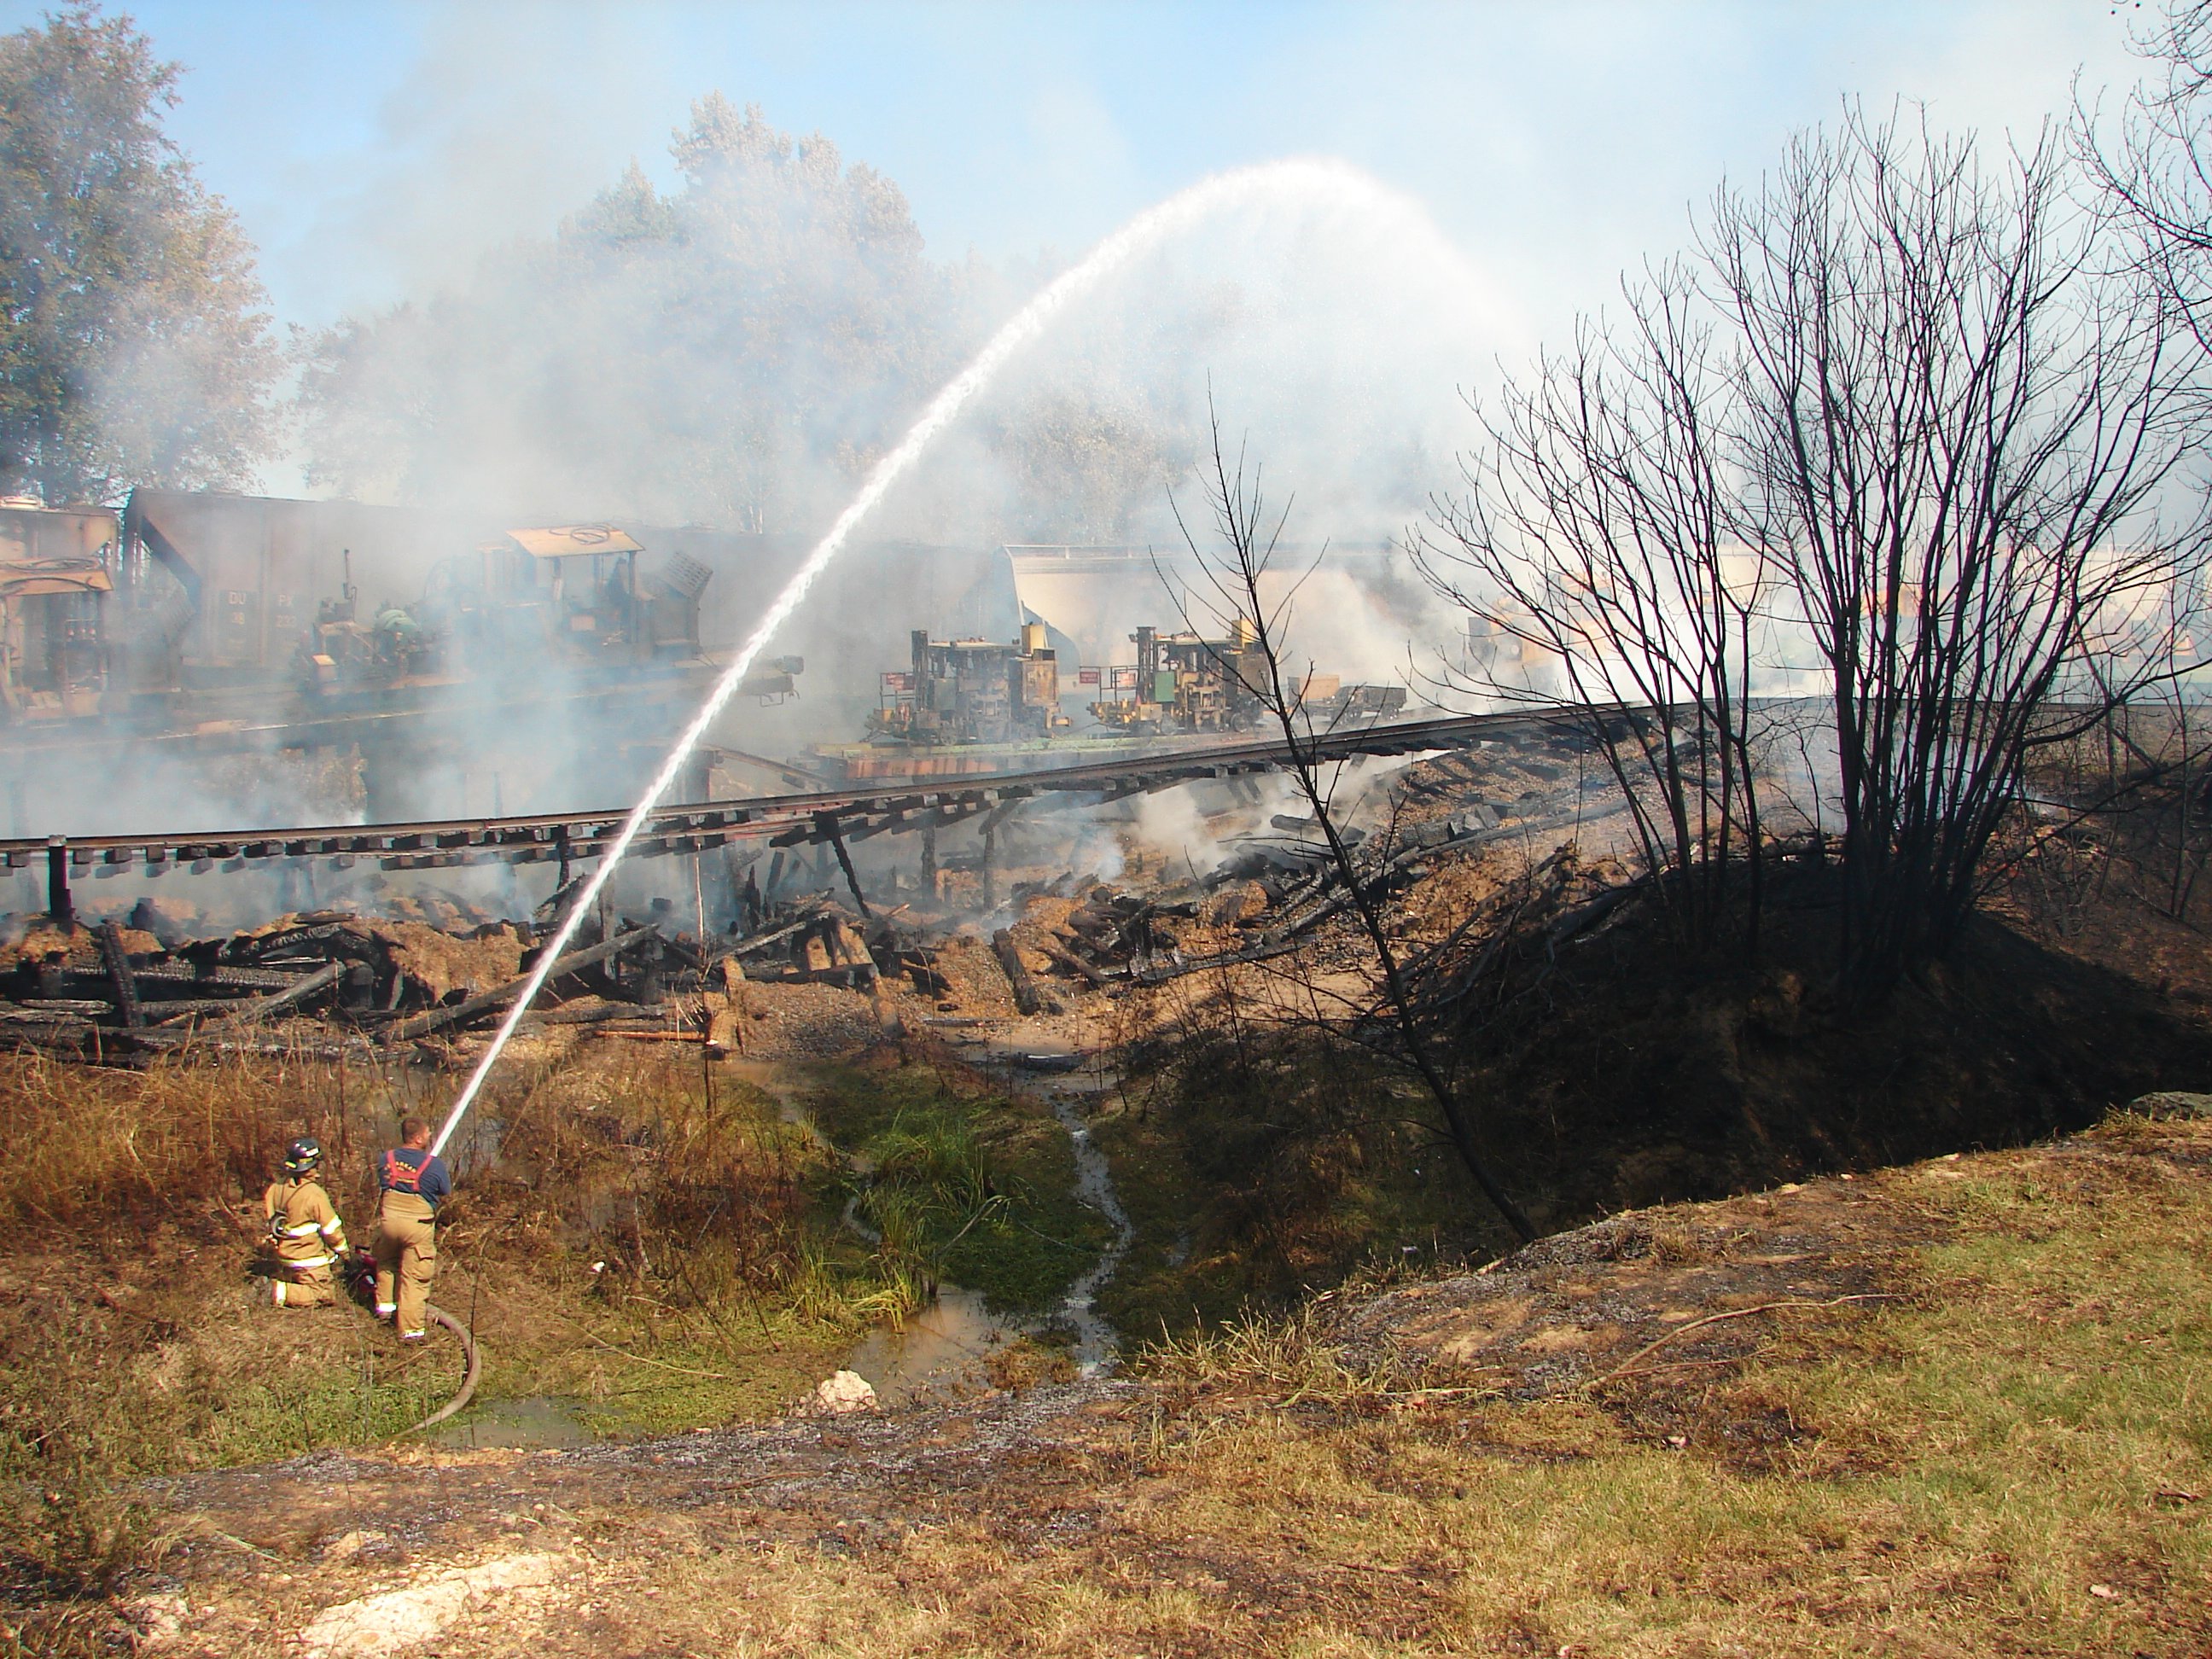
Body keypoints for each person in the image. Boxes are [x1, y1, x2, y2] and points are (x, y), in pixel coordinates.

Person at [373, 1116, 451, 1341]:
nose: (429, 1137)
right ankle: (411, 1332)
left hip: (389, 1223)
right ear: (417, 1138)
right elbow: (444, 1189)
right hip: (417, 1228)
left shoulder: (385, 1159)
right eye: (427, 1133)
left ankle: (384, 1310)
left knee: (387, 1263)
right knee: (414, 1278)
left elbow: (384, 1182)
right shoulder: (433, 1164)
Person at [261, 1137, 348, 1308]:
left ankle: (286, 1283)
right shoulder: (313, 1194)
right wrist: (345, 1255)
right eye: (316, 1165)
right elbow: (331, 1231)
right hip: (308, 1260)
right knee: (324, 1294)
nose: (318, 1170)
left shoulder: (275, 1189)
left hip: (284, 1258)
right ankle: (273, 1291)